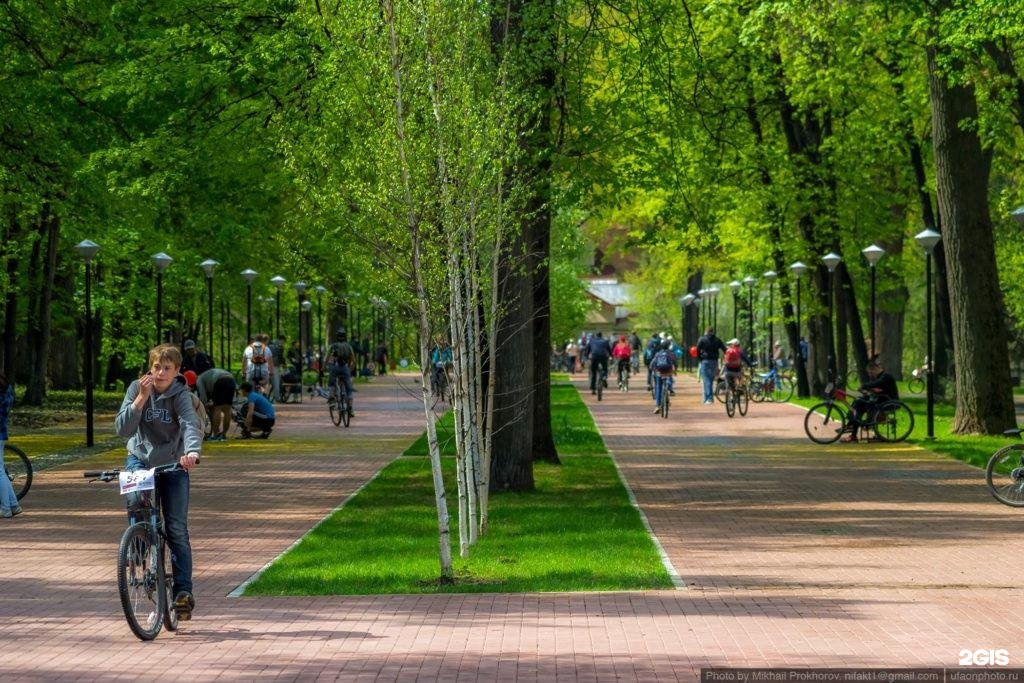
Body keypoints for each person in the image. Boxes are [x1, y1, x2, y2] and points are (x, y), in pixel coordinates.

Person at [114, 343, 201, 620]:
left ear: (176, 372)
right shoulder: (136, 388)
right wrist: (141, 398)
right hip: (140, 458)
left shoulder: (180, 394)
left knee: (175, 528)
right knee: (136, 502)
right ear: (149, 368)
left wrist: (191, 452)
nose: (160, 373)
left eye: (167, 368)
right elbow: (122, 429)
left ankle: (182, 593)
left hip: (173, 462)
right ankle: (138, 548)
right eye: (156, 367)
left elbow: (189, 423)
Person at [843, 358, 899, 442]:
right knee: (859, 402)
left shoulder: (886, 376)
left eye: (870, 372)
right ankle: (852, 427)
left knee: (859, 402)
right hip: (881, 399)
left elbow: (877, 384)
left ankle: (852, 425)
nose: (870, 375)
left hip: (889, 401)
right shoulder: (880, 377)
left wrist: (864, 386)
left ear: (874, 369)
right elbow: (878, 390)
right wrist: (867, 392)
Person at [0, 372, 22, 518]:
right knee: (0, 470)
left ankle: (6, 508)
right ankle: (14, 505)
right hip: (2, 434)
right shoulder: (7, 391)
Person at [195, 367, 236, 441]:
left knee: (218, 408)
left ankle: (216, 435)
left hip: (220, 381)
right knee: (227, 409)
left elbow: (203, 397)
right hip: (231, 380)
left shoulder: (199, 379)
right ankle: (223, 435)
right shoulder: (207, 375)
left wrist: (203, 406)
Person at [328, 329, 356, 416]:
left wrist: (324, 368)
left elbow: (328, 359)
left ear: (337, 337)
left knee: (331, 383)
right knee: (349, 390)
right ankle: (350, 409)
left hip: (335, 368)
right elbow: (353, 361)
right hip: (345, 368)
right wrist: (349, 370)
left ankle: (332, 398)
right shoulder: (348, 346)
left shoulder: (333, 346)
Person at [696, 327, 727, 405]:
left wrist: (700, 358)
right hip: (714, 361)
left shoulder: (702, 339)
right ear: (712, 332)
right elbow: (725, 349)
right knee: (710, 380)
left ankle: (709, 399)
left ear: (706, 331)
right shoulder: (717, 339)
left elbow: (697, 349)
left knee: (706, 380)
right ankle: (707, 398)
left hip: (705, 361)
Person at [650, 339, 677, 413]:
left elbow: (652, 364)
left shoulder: (658, 353)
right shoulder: (671, 353)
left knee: (658, 387)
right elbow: (675, 362)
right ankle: (669, 389)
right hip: (668, 372)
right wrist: (675, 370)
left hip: (659, 372)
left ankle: (658, 406)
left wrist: (652, 369)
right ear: (668, 346)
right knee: (669, 379)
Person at [269, 335, 287, 402]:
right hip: (274, 365)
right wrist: (284, 365)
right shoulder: (279, 346)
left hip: (266, 364)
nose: (283, 343)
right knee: (276, 382)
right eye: (283, 342)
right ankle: (277, 398)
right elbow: (281, 357)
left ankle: (265, 396)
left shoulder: (270, 344)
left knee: (267, 382)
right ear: (281, 340)